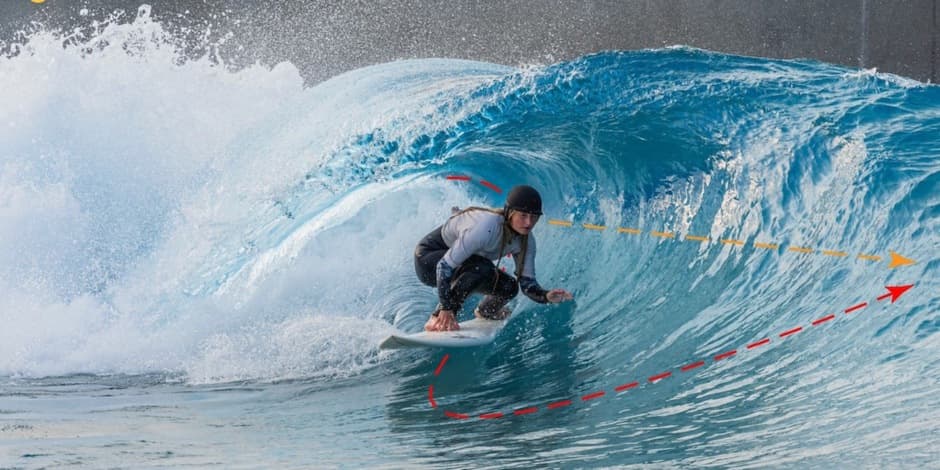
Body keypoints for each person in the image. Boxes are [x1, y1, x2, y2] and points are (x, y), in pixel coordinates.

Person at [414, 184, 574, 332]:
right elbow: (444, 266)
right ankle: (436, 319)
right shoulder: (488, 226)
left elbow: (527, 284)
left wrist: (546, 296)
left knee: (510, 287)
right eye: (523, 215)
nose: (528, 222)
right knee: (480, 268)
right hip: (428, 260)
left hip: (463, 266)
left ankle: (485, 311)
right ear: (510, 212)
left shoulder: (526, 241)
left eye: (534, 217)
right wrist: (446, 308)